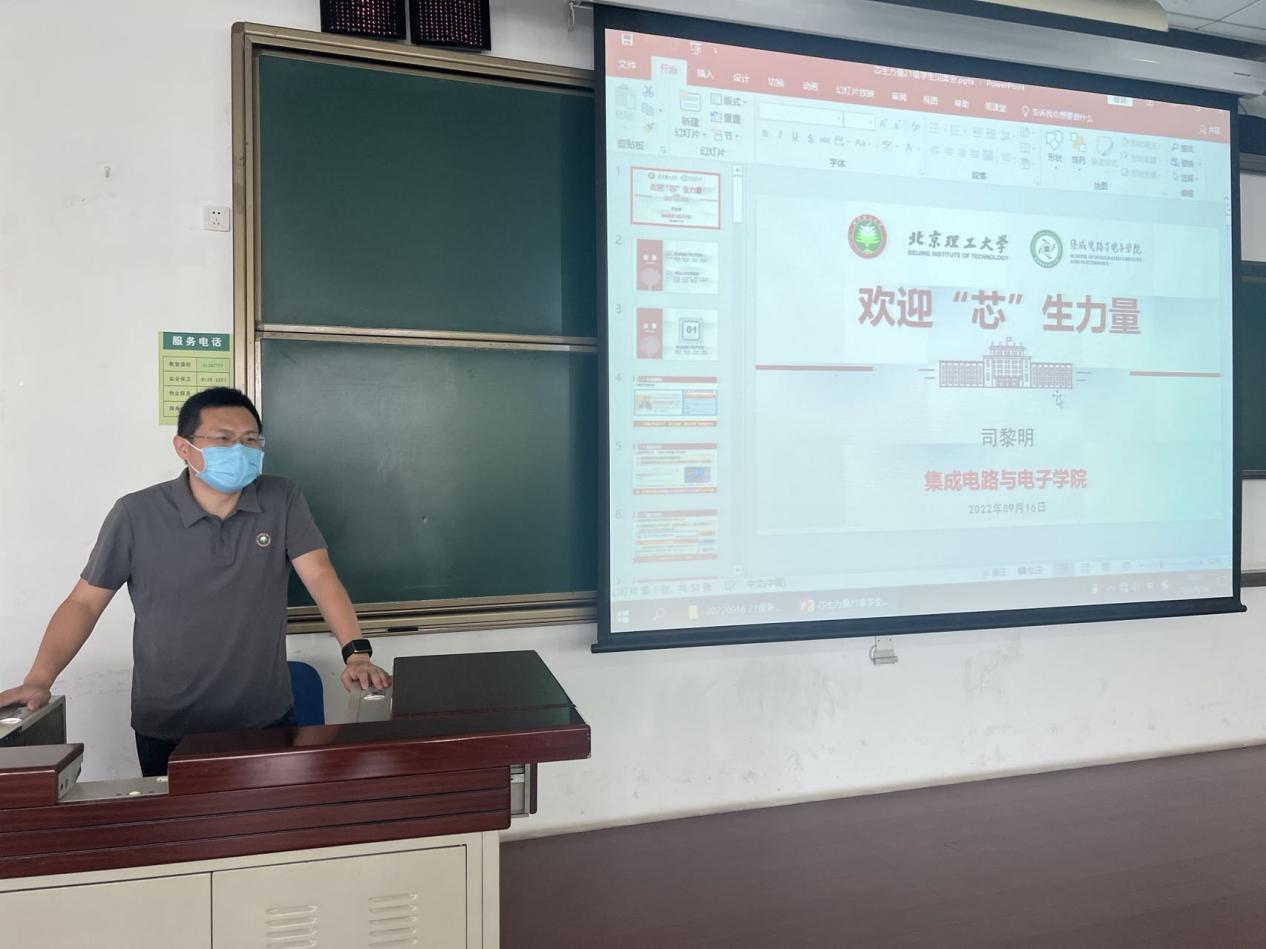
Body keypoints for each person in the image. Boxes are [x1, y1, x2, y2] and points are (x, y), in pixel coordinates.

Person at [0, 387, 391, 776]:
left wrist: (356, 653)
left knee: (268, 815)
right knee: (180, 817)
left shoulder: (281, 499)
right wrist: (39, 679)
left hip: (265, 718)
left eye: (250, 440)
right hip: (169, 726)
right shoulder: (136, 514)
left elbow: (320, 575)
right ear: (183, 448)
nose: (240, 450)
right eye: (223, 439)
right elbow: (84, 603)